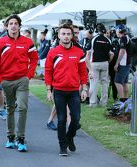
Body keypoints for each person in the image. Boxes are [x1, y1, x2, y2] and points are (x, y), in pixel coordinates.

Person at [0, 14, 39, 152]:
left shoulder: (27, 42)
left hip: (22, 81)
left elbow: (34, 59)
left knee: (23, 108)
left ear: (19, 26)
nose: (13, 26)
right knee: (10, 108)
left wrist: (28, 75)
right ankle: (10, 137)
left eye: (15, 23)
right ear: (7, 26)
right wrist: (0, 79)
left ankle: (21, 138)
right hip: (6, 81)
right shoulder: (0, 42)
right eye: (10, 23)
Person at [45, 24, 88, 156]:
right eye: (63, 34)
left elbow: (83, 72)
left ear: (72, 36)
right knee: (62, 119)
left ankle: (69, 137)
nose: (66, 36)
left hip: (74, 91)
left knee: (75, 119)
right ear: (59, 36)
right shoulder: (53, 52)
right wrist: (48, 90)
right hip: (59, 91)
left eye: (68, 34)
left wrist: (84, 89)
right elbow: (48, 72)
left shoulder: (79, 52)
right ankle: (63, 146)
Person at [86, 23, 114, 107]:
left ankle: (93, 103)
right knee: (104, 83)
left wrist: (88, 66)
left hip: (94, 63)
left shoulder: (93, 39)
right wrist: (108, 62)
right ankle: (103, 103)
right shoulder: (108, 40)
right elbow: (112, 54)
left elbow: (88, 53)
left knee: (93, 83)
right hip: (105, 63)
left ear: (96, 30)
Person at [114, 25, 131, 103]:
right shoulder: (127, 37)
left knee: (118, 82)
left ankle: (121, 101)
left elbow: (122, 51)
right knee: (125, 82)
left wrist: (117, 63)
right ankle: (126, 99)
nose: (115, 32)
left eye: (116, 31)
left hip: (123, 63)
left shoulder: (123, 38)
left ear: (119, 31)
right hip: (127, 63)